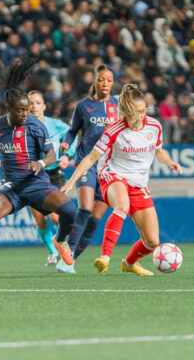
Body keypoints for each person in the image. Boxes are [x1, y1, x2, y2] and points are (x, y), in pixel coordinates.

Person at [0, 58, 85, 279]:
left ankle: (59, 240)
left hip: (35, 183)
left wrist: (41, 163)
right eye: (20, 110)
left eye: (27, 109)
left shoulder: (36, 126)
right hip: (10, 188)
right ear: (8, 108)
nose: (24, 113)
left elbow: (50, 154)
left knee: (70, 212)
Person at [61, 84, 183, 276]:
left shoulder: (155, 126)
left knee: (152, 242)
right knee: (122, 206)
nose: (141, 116)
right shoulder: (115, 130)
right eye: (136, 112)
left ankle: (129, 263)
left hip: (138, 184)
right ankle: (105, 257)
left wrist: (170, 162)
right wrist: (71, 181)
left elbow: (158, 151)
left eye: (143, 111)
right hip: (112, 175)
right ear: (125, 112)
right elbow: (91, 158)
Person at [58, 64, 119, 273]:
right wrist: (66, 143)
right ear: (95, 81)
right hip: (87, 162)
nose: (106, 84)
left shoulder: (118, 105)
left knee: (94, 221)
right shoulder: (83, 106)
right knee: (85, 208)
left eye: (109, 80)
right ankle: (68, 249)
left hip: (108, 167)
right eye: (102, 79)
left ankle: (71, 260)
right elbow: (72, 131)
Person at [27, 90, 78, 267]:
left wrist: (68, 156)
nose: (34, 106)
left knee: (57, 217)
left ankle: (62, 242)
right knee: (40, 219)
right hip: (33, 175)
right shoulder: (21, 128)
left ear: (44, 106)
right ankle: (52, 252)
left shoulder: (55, 125)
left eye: (37, 102)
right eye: (30, 103)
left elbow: (74, 135)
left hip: (54, 173)